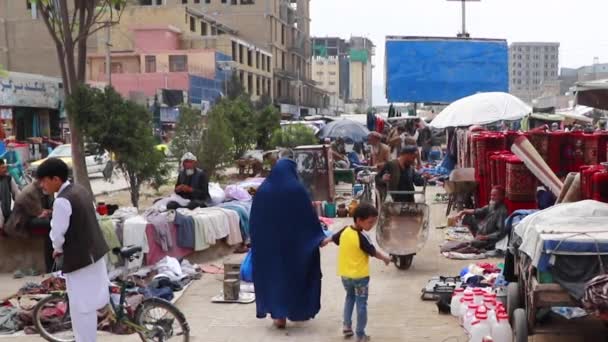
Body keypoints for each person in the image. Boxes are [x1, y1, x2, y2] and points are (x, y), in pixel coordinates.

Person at [36, 158, 109, 342]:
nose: (41, 185)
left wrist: (57, 248)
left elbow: (57, 234)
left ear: (56, 179)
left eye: (44, 180)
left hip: (80, 260)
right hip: (95, 255)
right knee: (89, 305)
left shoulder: (61, 201)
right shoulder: (79, 189)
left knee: (81, 308)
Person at [249, 157, 326, 329]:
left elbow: (254, 220)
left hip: (269, 247)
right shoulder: (297, 189)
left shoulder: (264, 190)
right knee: (295, 277)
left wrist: (256, 241)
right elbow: (308, 218)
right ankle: (297, 311)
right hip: (294, 247)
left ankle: (278, 316)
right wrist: (317, 237)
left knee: (273, 278)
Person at [321, 203, 391, 342]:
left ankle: (347, 326)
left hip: (345, 276)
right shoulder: (361, 237)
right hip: (360, 277)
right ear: (359, 220)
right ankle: (360, 334)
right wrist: (385, 258)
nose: (372, 225)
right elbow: (373, 252)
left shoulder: (345, 230)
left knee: (349, 298)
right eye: (370, 222)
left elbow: (332, 238)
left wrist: (323, 242)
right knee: (361, 304)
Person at [4, 180, 54, 272]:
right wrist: (49, 212)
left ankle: (52, 265)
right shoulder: (31, 191)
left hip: (32, 217)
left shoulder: (46, 189)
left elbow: (50, 208)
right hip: (20, 222)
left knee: (54, 224)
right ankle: (51, 266)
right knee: (50, 226)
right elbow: (40, 212)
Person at [456, 186, 509, 250]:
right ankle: (475, 237)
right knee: (468, 216)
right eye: (491, 195)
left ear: (502, 197)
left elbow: (501, 233)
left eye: (495, 195)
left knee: (473, 243)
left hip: (490, 240)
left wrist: (485, 237)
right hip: (482, 232)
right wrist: (463, 212)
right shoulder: (492, 206)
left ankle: (475, 240)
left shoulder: (502, 212)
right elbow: (478, 211)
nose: (492, 197)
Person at [0, 159, 20, 230]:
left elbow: (17, 194)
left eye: (5, 167)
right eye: (2, 168)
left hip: (7, 212)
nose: (5, 169)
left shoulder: (8, 178)